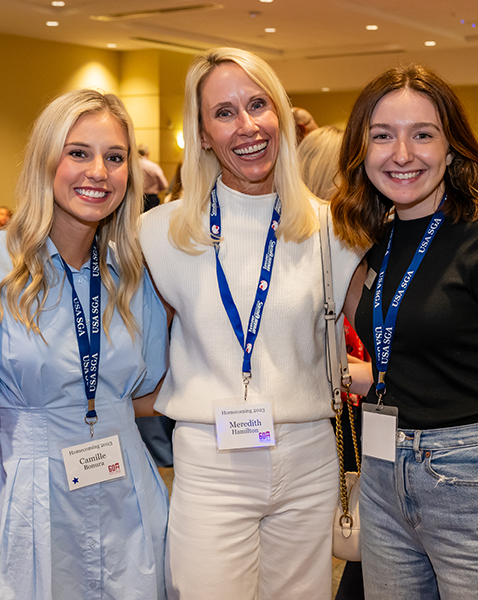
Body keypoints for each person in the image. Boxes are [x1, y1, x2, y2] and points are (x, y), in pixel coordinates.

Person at [0, 89, 169, 600]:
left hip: (131, 494)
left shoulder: (134, 275)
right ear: (45, 158)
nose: (99, 171)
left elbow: (144, 396)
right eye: (78, 152)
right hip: (34, 496)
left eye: (115, 158)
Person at [139, 47, 362, 600]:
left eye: (258, 104)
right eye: (224, 112)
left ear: (281, 114)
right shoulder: (158, 235)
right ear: (203, 133)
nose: (247, 126)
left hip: (310, 455)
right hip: (212, 460)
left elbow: (388, 337)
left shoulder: (332, 230)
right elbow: (131, 354)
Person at [332, 64, 478, 600]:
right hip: (383, 478)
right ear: (363, 151)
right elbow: (416, 350)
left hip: (472, 481)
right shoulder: (373, 240)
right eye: (382, 136)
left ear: (452, 149)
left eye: (422, 134)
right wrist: (366, 376)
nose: (401, 153)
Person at [297, 123, 368, 600]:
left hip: (365, 421)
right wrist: (363, 375)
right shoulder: (305, 261)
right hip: (325, 428)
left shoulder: (363, 247)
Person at [138, 144, 168, 212]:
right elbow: (164, 184)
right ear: (147, 153)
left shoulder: (133, 167)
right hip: (152, 199)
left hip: (136, 199)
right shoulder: (153, 166)